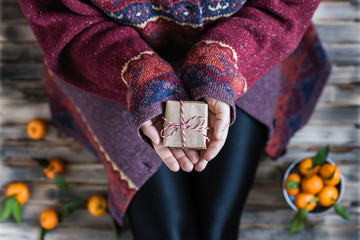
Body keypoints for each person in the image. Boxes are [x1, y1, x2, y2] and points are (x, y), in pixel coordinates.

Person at [19, 0, 331, 239]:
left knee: (219, 228)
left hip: (246, 44)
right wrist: (137, 74)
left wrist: (221, 62)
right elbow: (52, 15)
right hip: (107, 62)